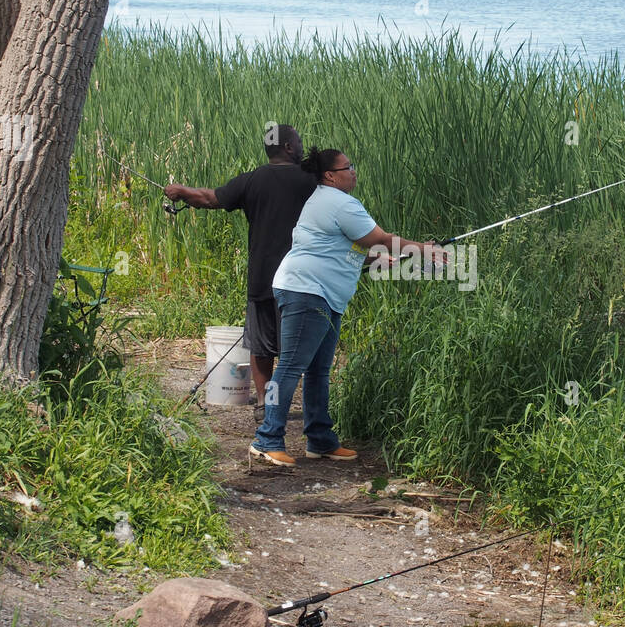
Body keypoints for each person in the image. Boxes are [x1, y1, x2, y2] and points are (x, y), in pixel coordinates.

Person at [250, 147, 447, 467]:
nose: (353, 171)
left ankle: (320, 440)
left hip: (324, 295)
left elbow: (346, 246)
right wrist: (425, 249)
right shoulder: (338, 202)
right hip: (306, 291)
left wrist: (378, 258)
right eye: (348, 167)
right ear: (330, 175)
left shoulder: (327, 203)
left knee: (318, 370)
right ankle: (267, 438)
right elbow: (380, 238)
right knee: (288, 368)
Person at [165, 124, 315, 419]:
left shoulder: (252, 180)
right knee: (295, 350)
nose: (300, 146)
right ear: (287, 147)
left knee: (262, 348)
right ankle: (298, 408)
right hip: (300, 280)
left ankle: (265, 403)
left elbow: (209, 199)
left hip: (262, 278)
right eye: (297, 142)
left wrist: (182, 192)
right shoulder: (310, 181)